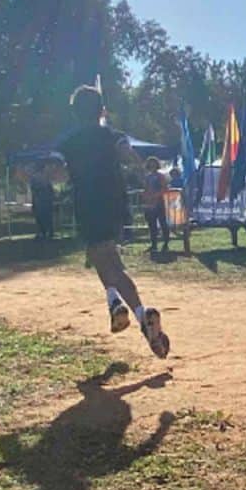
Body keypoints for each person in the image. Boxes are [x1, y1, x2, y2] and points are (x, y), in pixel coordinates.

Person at [58, 85, 170, 358]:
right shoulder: (111, 135)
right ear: (102, 111)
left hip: (88, 204)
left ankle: (116, 304)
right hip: (116, 204)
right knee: (107, 258)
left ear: (74, 113)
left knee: (102, 255)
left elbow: (56, 171)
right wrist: (143, 173)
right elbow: (127, 152)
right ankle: (140, 315)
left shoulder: (68, 142)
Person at [142, 157, 170, 255]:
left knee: (163, 223)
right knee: (151, 225)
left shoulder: (161, 176)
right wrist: (146, 197)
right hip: (150, 203)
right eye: (150, 163)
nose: (152, 165)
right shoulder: (147, 177)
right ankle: (154, 244)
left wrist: (155, 196)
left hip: (159, 203)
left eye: (154, 163)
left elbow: (164, 188)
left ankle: (166, 243)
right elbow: (145, 188)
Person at [30, 168, 55, 240]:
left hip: (40, 201)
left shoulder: (34, 178)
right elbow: (51, 190)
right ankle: (49, 232)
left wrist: (34, 203)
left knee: (40, 218)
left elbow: (33, 191)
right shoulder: (46, 178)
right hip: (46, 201)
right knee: (47, 217)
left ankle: (43, 233)